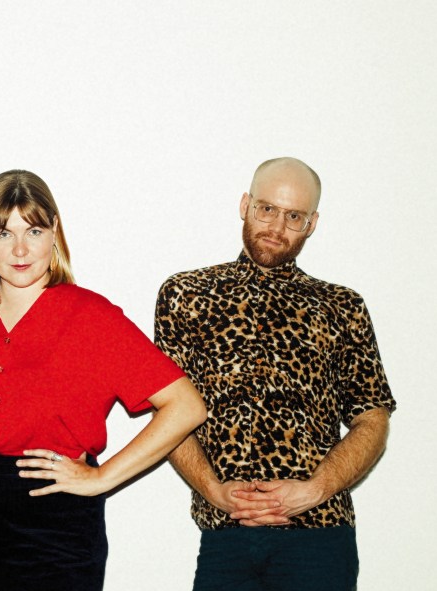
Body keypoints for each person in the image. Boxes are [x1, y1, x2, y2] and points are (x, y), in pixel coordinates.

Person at [0, 169, 207, 591]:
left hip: (53, 528)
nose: (20, 249)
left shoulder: (92, 317)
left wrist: (102, 478)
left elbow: (186, 406)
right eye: (4, 233)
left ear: (54, 232)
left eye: (34, 230)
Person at [154, 157, 396, 590]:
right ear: (245, 205)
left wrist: (314, 489)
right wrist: (213, 490)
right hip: (225, 534)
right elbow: (167, 411)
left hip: (319, 535)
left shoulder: (342, 307)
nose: (277, 227)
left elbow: (373, 417)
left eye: (294, 216)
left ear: (311, 223)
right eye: (266, 209)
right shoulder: (186, 295)